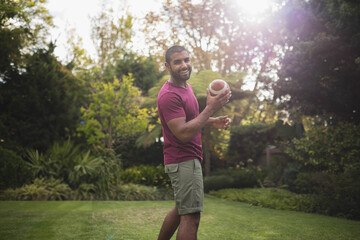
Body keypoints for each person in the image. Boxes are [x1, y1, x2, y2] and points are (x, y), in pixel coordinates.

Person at [157, 45, 232, 240]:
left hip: (187, 159)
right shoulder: (169, 95)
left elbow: (190, 120)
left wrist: (212, 120)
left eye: (186, 60)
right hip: (183, 160)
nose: (184, 65)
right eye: (178, 62)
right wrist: (210, 109)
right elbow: (182, 133)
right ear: (167, 66)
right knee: (191, 217)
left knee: (181, 209)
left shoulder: (186, 88)